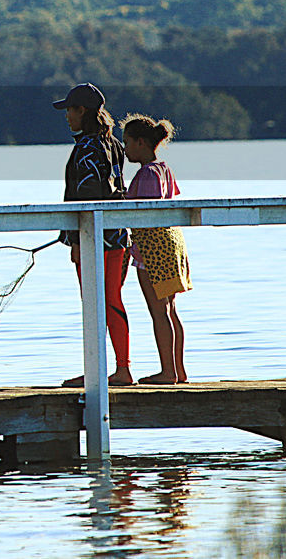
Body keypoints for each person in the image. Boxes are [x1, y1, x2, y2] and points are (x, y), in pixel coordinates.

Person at [52, 83, 135, 387]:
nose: (67, 117)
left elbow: (86, 198)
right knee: (112, 299)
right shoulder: (113, 144)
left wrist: (76, 240)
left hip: (94, 238)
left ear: (81, 111)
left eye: (70, 111)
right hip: (117, 235)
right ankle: (121, 368)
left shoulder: (86, 147)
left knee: (95, 302)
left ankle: (100, 371)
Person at [122, 113, 192, 384]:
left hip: (153, 249)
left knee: (158, 311)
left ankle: (167, 372)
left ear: (141, 142)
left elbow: (144, 214)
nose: (125, 149)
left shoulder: (147, 173)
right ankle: (178, 370)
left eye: (127, 143)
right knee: (170, 310)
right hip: (173, 243)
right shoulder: (164, 169)